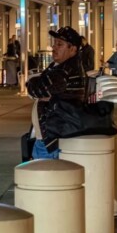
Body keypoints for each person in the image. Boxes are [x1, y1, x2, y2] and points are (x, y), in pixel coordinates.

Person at [26, 26, 87, 159]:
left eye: (60, 44)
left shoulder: (64, 71)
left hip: (51, 140)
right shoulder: (60, 66)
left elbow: (36, 89)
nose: (54, 47)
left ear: (73, 49)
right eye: (54, 43)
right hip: (50, 138)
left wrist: (34, 84)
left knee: (45, 171)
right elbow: (37, 86)